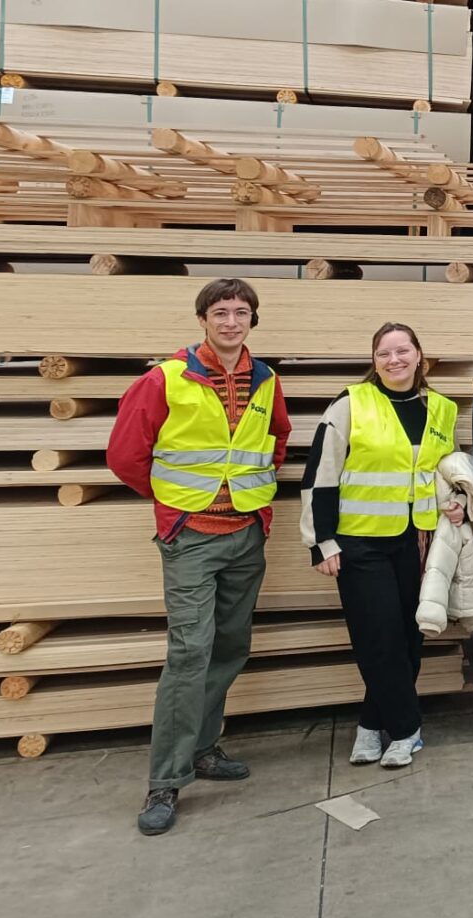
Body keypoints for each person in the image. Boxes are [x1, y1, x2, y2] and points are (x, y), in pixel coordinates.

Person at [107, 278, 292, 836]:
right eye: (220, 312)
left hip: (246, 535)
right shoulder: (165, 378)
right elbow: (125, 455)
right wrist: (178, 506)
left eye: (240, 312)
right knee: (190, 653)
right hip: (190, 537)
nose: (230, 322)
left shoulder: (266, 381)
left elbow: (276, 441)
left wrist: (247, 496)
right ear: (203, 319)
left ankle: (204, 749)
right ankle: (165, 780)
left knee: (230, 646)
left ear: (252, 321)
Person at [301, 323, 462, 770]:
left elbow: (447, 469)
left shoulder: (442, 410)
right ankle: (407, 730)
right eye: (384, 353)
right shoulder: (351, 404)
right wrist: (322, 542)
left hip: (418, 541)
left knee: (410, 638)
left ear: (419, 355)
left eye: (403, 351)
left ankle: (372, 724)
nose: (395, 360)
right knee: (379, 638)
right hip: (359, 542)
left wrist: (456, 503)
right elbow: (320, 476)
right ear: (373, 360)